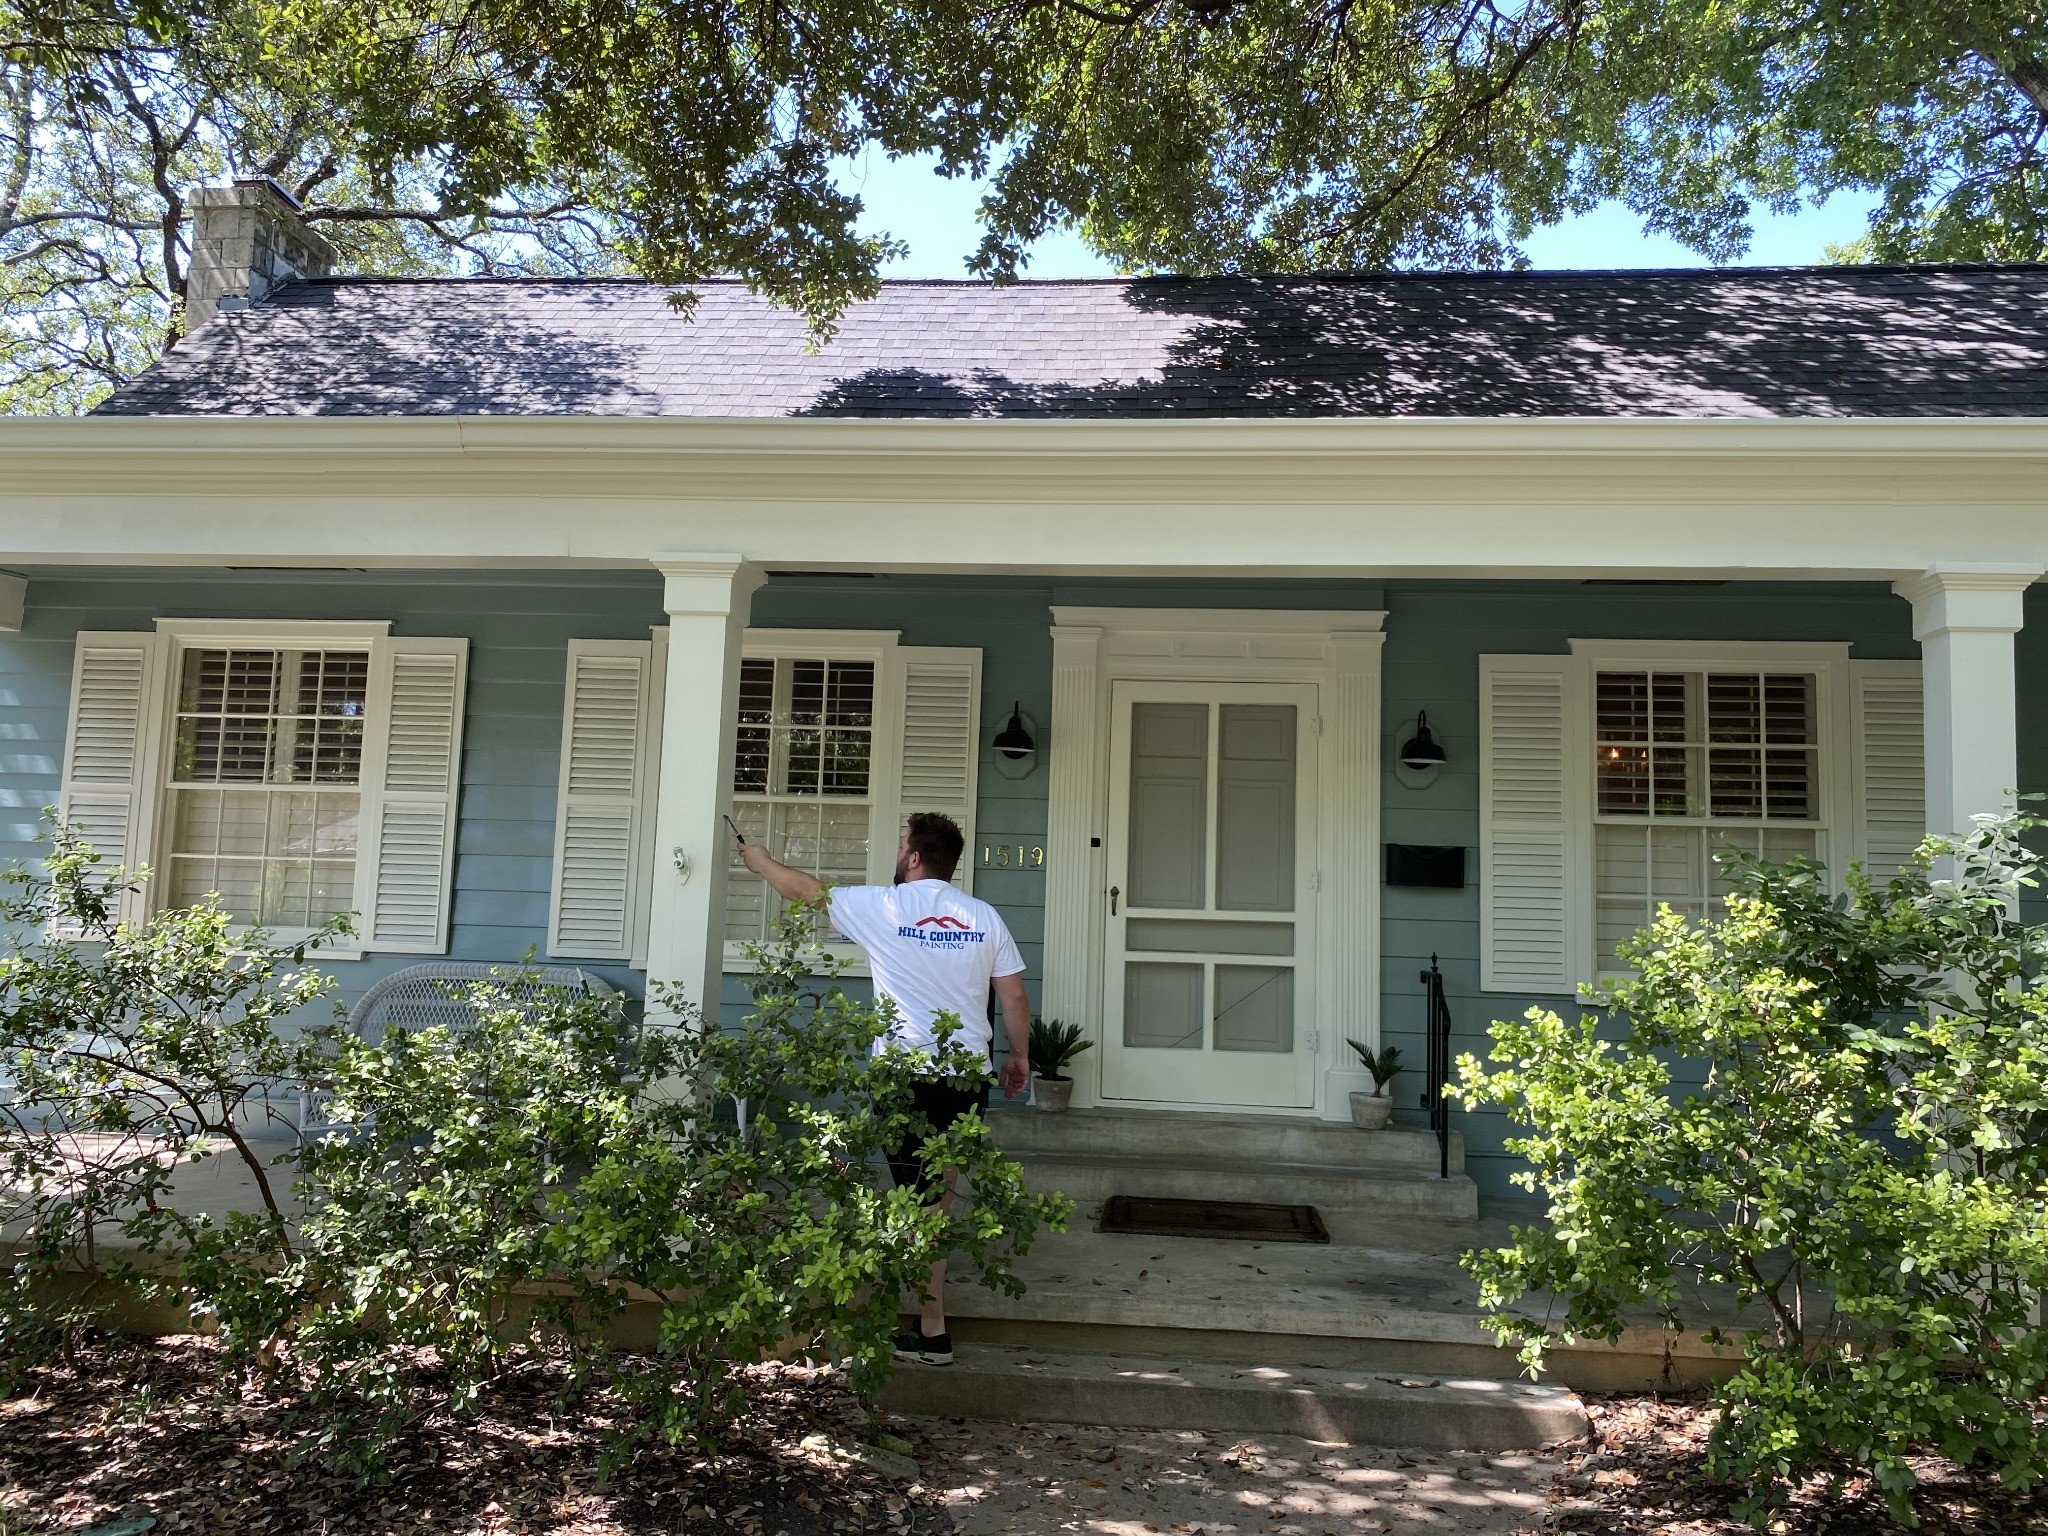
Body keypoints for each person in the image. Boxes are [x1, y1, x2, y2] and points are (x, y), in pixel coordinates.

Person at [734, 810, 1031, 1367]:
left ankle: (930, 1331)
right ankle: (929, 1327)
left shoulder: (885, 906)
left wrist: (760, 862)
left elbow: (806, 891)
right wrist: (1019, 1057)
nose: (897, 856)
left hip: (903, 1076)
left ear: (914, 857)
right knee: (932, 1205)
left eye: (900, 847)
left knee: (918, 1207)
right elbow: (1012, 997)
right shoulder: (984, 916)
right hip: (964, 1077)